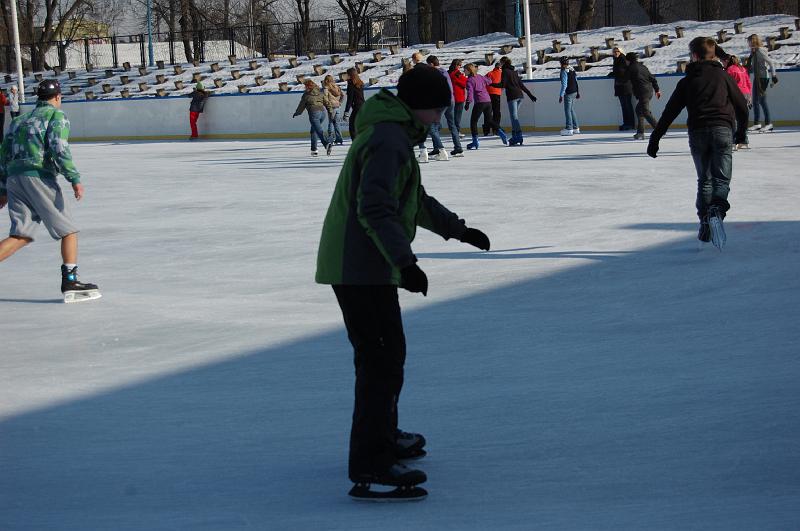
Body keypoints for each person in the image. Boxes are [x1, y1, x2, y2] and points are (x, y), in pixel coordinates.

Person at [315, 65, 491, 500]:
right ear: (420, 105)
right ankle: (371, 462)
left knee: (387, 355)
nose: (440, 117)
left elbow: (413, 198)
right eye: (438, 109)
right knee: (379, 361)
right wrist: (406, 263)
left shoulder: (394, 133)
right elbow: (375, 207)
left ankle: (384, 437)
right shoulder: (389, 139)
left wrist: (458, 230)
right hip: (359, 265)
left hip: (365, 263)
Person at [0, 79, 100, 302]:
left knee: (20, 235)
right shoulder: (56, 115)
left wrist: (3, 188)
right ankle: (70, 281)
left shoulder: (19, 120)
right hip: (38, 177)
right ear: (57, 97)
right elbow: (59, 148)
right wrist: (74, 178)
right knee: (68, 230)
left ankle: (70, 279)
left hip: (15, 178)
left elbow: (3, 154)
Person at [646, 37, 748, 250]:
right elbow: (741, 105)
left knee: (705, 180)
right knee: (721, 180)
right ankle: (717, 210)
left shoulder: (687, 81)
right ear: (713, 55)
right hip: (722, 131)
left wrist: (655, 139)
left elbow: (669, 112)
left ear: (693, 56)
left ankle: (705, 222)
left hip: (698, 133)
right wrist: (741, 133)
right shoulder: (723, 76)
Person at [493, 56, 536, 146]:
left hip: (512, 96)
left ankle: (519, 136)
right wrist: (530, 95)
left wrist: (491, 84)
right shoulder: (514, 72)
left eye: (501, 63)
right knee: (514, 117)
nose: (500, 64)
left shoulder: (505, 71)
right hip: (520, 96)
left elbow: (503, 85)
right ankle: (515, 136)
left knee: (514, 117)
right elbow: (521, 85)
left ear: (503, 63)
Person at [464, 63, 507, 149]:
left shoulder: (469, 80)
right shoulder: (480, 76)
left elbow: (470, 92)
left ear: (469, 70)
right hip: (488, 101)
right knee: (489, 120)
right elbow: (489, 81)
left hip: (480, 102)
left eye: (464, 70)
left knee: (473, 122)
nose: (463, 71)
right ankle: (500, 132)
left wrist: (468, 102)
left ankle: (475, 141)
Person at [427, 56, 462, 158]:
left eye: (428, 65)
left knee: (432, 126)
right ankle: (458, 147)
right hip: (451, 100)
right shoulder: (444, 71)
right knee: (452, 124)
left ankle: (440, 149)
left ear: (431, 64)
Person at [746, 34, 778, 133]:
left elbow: (771, 62)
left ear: (754, 41)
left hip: (763, 78)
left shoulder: (760, 50)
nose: (748, 43)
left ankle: (769, 123)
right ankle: (757, 123)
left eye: (750, 41)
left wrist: (774, 76)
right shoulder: (754, 51)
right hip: (757, 78)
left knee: (762, 101)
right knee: (755, 101)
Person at [625, 52, 660, 140]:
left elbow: (624, 78)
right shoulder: (643, 67)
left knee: (645, 112)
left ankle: (659, 130)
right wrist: (657, 90)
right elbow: (653, 79)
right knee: (639, 110)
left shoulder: (631, 68)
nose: (626, 62)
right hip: (648, 91)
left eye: (626, 60)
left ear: (629, 60)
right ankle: (640, 132)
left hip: (642, 92)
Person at [293, 79, 332, 157]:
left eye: (305, 86)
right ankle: (314, 150)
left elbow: (301, 106)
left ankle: (326, 143)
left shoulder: (306, 95)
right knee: (313, 131)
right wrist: (330, 111)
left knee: (318, 130)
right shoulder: (320, 93)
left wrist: (297, 113)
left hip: (314, 114)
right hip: (322, 113)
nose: (305, 87)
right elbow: (327, 102)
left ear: (308, 86)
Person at [722, 53, 752, 150]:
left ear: (727, 61)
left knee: (733, 118)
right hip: (746, 94)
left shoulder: (729, 70)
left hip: (736, 94)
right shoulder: (742, 68)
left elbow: (728, 84)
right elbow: (748, 82)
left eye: (723, 62)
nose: (722, 64)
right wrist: (749, 96)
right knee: (742, 119)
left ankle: (733, 141)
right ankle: (743, 140)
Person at [609, 46, 635, 130]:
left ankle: (631, 123)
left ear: (620, 51)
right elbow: (618, 71)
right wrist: (613, 73)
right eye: (614, 51)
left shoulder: (624, 59)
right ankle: (626, 123)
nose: (615, 53)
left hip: (626, 86)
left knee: (628, 105)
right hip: (619, 86)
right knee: (624, 106)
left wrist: (615, 73)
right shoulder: (616, 60)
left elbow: (624, 72)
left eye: (617, 51)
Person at [558, 57, 580, 136]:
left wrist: (561, 95)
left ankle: (569, 128)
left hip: (569, 93)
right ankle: (576, 128)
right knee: (571, 110)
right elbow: (576, 80)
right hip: (574, 91)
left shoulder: (564, 71)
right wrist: (578, 92)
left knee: (567, 110)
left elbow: (564, 85)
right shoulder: (572, 69)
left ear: (561, 63)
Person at [448, 59, 468, 144]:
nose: (460, 67)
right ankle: (457, 131)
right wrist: (464, 77)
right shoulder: (457, 73)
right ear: (456, 65)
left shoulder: (448, 72)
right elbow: (465, 83)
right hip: (458, 97)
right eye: (460, 65)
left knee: (452, 116)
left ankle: (454, 131)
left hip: (451, 96)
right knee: (457, 116)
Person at [343, 67, 365, 140]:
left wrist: (346, 112)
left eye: (347, 74)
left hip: (357, 107)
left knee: (352, 127)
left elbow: (350, 100)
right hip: (363, 106)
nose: (346, 76)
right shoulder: (359, 83)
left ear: (350, 75)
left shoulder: (351, 85)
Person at [322, 75, 344, 146]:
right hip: (337, 107)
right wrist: (340, 103)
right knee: (337, 123)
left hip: (331, 107)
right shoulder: (336, 86)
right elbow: (343, 94)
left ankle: (330, 139)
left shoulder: (326, 87)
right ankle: (339, 139)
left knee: (331, 123)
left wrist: (327, 106)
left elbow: (325, 97)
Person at [485, 61, 503, 136]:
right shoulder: (501, 73)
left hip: (488, 94)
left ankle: (486, 130)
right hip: (496, 94)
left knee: (488, 112)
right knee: (497, 112)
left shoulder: (489, 73)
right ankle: (496, 129)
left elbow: (484, 82)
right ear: (500, 68)